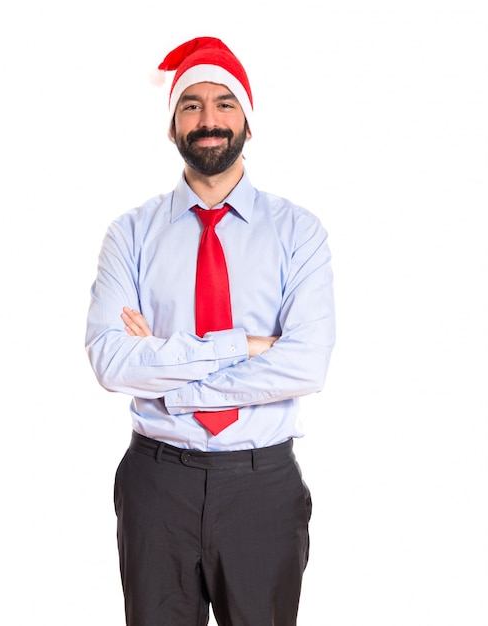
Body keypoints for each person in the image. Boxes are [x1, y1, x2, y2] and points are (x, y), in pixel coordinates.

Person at [85, 36, 335, 626]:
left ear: (248, 119)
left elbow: (305, 366)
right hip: (156, 483)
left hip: (262, 486)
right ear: (172, 126)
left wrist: (170, 377)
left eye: (224, 104)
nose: (208, 120)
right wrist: (240, 347)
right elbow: (109, 360)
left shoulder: (299, 232)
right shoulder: (131, 234)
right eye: (191, 105)